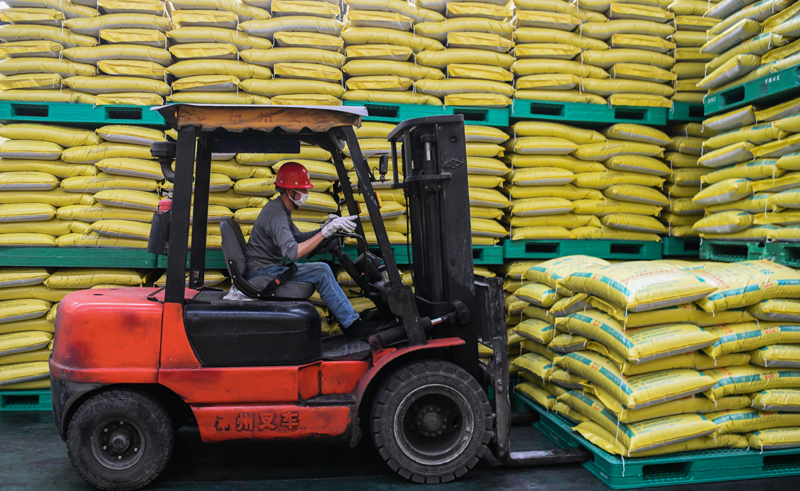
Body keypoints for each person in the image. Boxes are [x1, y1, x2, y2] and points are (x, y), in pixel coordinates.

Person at [243, 162, 382, 339]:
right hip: (262, 272)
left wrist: (325, 228)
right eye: (303, 190)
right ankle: (353, 325)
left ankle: (351, 320)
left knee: (322, 268)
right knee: (322, 271)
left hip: (267, 269)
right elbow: (293, 253)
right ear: (289, 191)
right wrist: (324, 233)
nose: (306, 195)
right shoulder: (276, 214)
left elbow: (298, 238)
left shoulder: (281, 210)